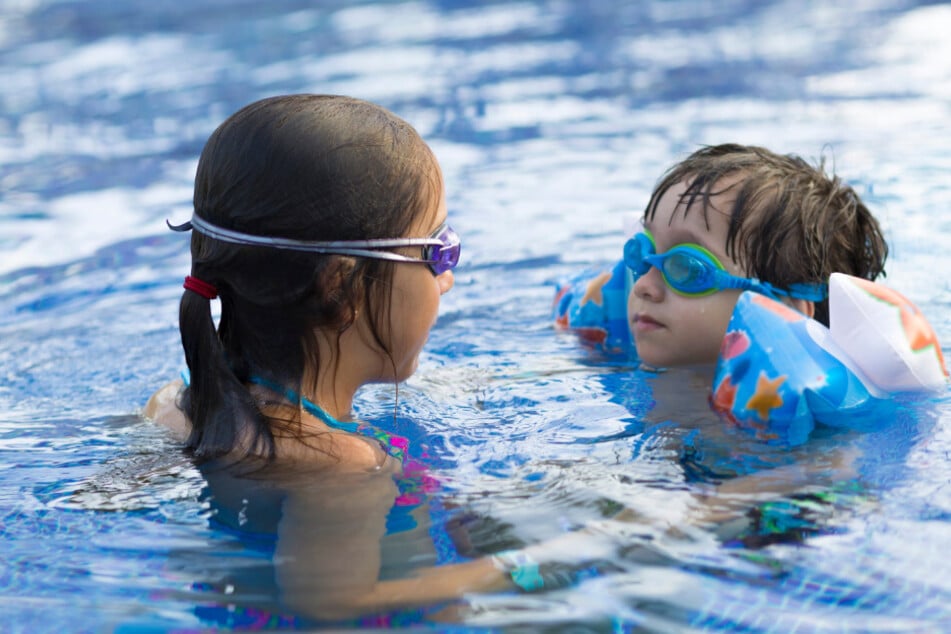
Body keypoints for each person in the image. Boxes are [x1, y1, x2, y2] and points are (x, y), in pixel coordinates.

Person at [554, 143, 888, 366]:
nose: (643, 286)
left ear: (783, 311)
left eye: (685, 267)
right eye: (642, 254)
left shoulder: (815, 424)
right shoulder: (605, 347)